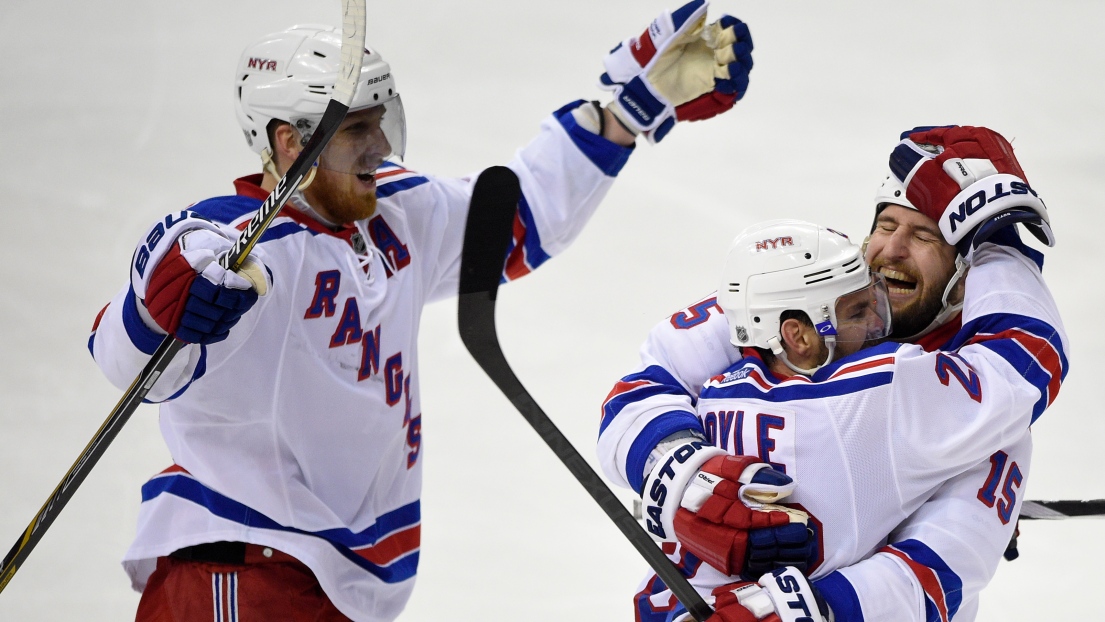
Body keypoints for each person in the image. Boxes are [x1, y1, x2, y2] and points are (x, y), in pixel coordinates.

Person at [86, 3, 754, 621]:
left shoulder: (391, 216)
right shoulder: (245, 254)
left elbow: (515, 220)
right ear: (290, 143)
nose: (378, 145)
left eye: (380, 120)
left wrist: (628, 111)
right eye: (355, 130)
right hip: (237, 575)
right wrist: (165, 295)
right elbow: (129, 349)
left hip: (332, 583)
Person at [596, 126, 1068, 621]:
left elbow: (938, 568)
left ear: (968, 275)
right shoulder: (801, 285)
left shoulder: (981, 417)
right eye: (886, 225)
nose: (893, 250)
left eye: (926, 234)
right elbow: (647, 383)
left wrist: (803, 611)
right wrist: (680, 470)